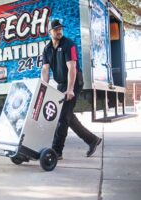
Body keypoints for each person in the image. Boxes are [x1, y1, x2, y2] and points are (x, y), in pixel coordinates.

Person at [41, 19, 102, 160]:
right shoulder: (47, 49)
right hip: (62, 83)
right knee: (68, 116)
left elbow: (72, 68)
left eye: (60, 28)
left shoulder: (69, 45)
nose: (59, 31)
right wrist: (44, 88)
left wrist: (70, 90)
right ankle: (92, 140)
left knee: (62, 117)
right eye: (56, 29)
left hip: (74, 82)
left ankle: (57, 151)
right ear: (49, 32)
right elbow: (45, 70)